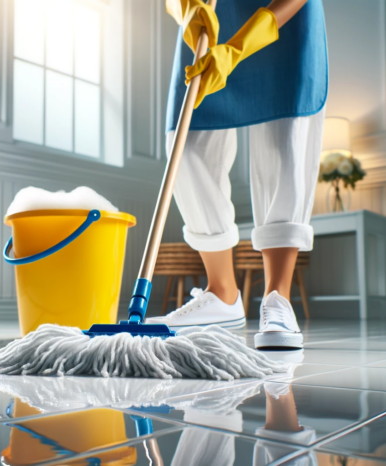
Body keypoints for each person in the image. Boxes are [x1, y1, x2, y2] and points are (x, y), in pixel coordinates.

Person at [146, 0, 328, 349]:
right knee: (187, 146)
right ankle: (222, 294)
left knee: (285, 146)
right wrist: (187, 12)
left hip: (283, 20)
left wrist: (238, 48)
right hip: (213, 23)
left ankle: (278, 298)